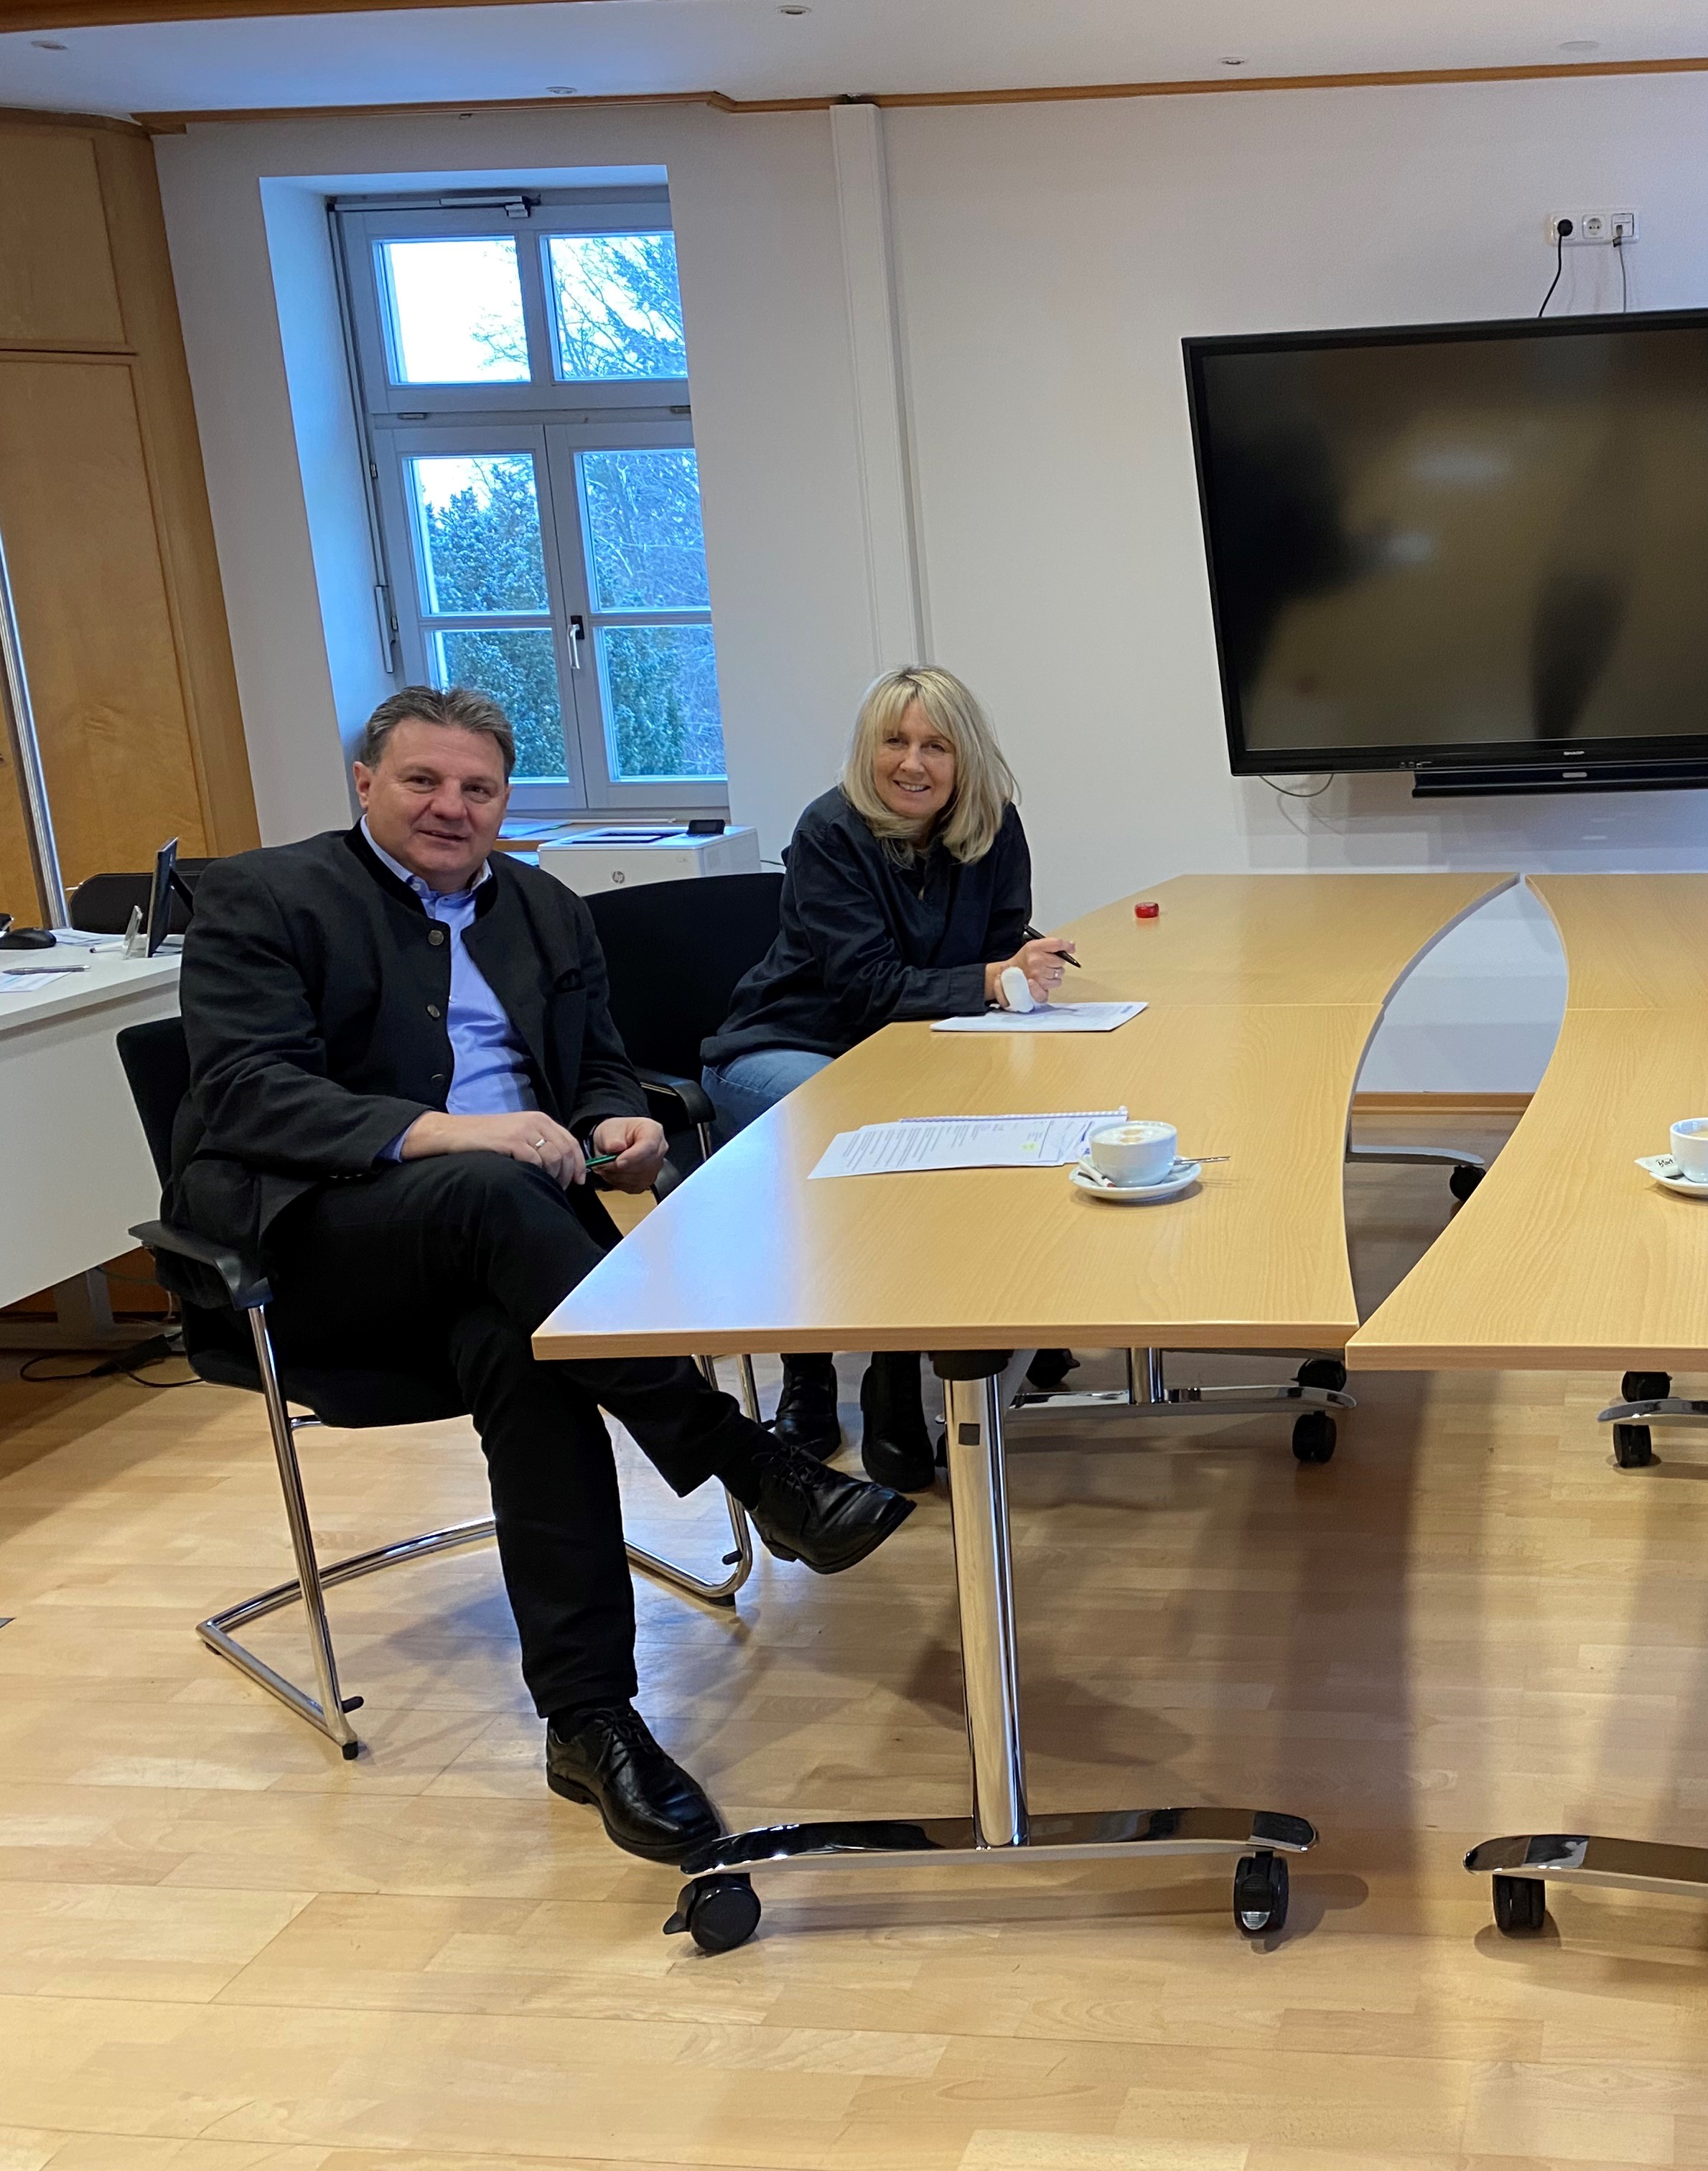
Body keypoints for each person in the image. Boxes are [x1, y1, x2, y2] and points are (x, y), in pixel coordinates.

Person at [167, 685, 915, 1863]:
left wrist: (623, 1122)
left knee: (525, 1347)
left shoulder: (550, 909)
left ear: (506, 800)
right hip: (317, 1248)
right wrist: (459, 1133)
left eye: (478, 787)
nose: (450, 807)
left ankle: (589, 1720)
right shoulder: (264, 897)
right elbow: (251, 1092)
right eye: (422, 781)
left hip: (511, 1265)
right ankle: (746, 1455)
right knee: (494, 1189)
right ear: (365, 781)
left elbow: (603, 1068)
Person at [701, 665, 1074, 1490]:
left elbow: (1005, 940)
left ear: (964, 758)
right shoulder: (830, 831)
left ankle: (899, 1364)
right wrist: (988, 979)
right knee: (859, 1130)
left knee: (973, 1115)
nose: (913, 763)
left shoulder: (994, 827)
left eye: (936, 745)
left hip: (908, 1050)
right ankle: (823, 1370)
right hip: (787, 1042)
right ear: (867, 753)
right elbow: (865, 985)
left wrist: (1021, 970)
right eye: (895, 742)